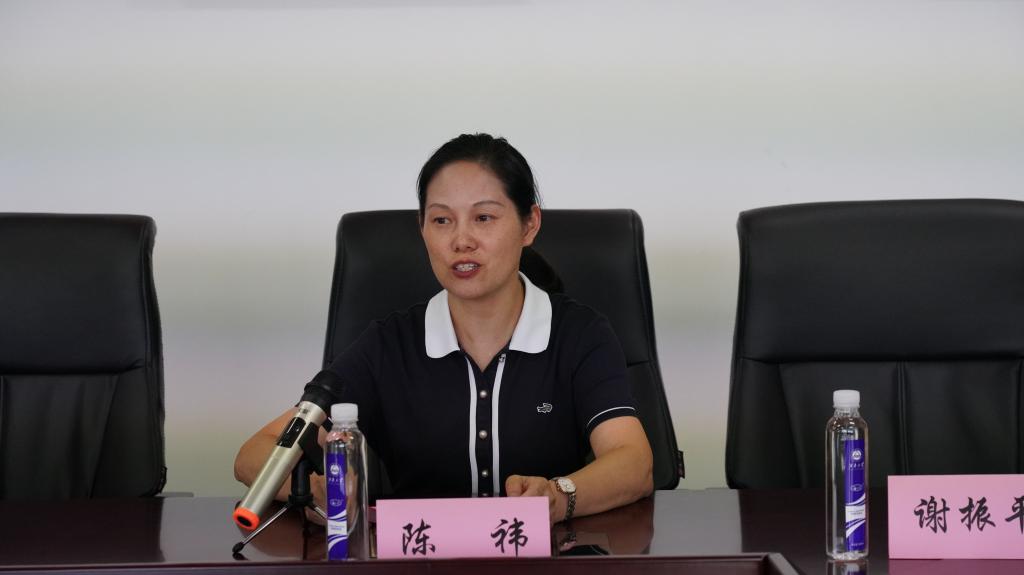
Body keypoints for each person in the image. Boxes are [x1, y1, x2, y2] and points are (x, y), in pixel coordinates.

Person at [234, 133, 653, 524]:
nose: (461, 240)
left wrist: (558, 496)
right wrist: (314, 491)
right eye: (441, 220)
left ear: (529, 225)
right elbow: (254, 454)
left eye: (484, 217)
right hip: (420, 561)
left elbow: (633, 462)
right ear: (422, 228)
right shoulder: (390, 345)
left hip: (546, 559)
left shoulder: (579, 334)